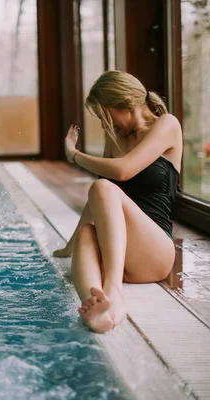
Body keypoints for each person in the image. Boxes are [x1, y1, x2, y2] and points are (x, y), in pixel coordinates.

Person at [54, 70, 182, 333]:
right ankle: (96, 309)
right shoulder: (116, 139)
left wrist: (74, 155)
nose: (104, 125)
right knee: (88, 232)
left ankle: (114, 294)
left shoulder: (167, 125)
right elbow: (98, 203)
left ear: (124, 103)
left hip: (154, 251)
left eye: (104, 116)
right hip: (122, 256)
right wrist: (71, 244)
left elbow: (124, 171)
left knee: (103, 186)